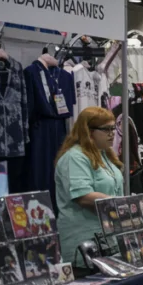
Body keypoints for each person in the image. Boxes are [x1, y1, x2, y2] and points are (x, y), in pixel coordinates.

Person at [54, 107, 124, 263]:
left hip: (108, 238)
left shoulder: (105, 154)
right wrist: (122, 205)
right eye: (106, 129)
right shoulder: (75, 157)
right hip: (83, 240)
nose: (112, 133)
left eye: (113, 128)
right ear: (88, 131)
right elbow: (83, 196)